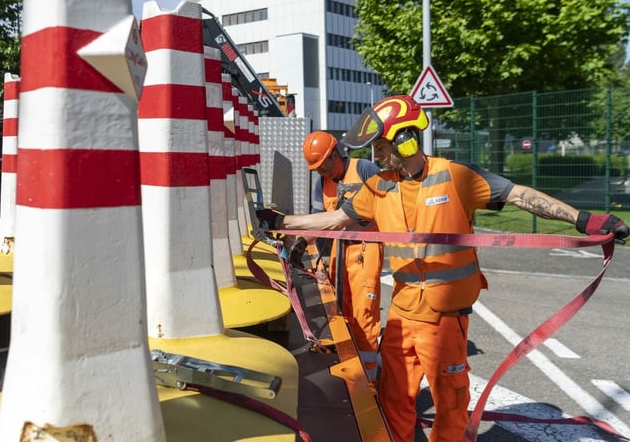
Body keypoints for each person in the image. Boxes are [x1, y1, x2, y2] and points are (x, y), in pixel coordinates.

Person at [258, 95, 629, 442]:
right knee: (393, 400)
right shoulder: (379, 187)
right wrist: (282, 220)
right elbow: (337, 219)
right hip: (403, 316)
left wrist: (583, 219)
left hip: (444, 320)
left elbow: (518, 194)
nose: (376, 155)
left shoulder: (456, 177)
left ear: (406, 139)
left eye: (381, 146)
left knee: (450, 406)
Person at [289, 131, 384, 381]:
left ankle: (369, 379)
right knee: (339, 312)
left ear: (335, 154)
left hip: (366, 249)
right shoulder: (322, 183)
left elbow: (385, 208)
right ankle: (350, 367)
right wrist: (300, 243)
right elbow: (319, 222)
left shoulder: (364, 169)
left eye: (323, 166)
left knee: (364, 316)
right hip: (337, 253)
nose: (320, 172)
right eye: (316, 168)